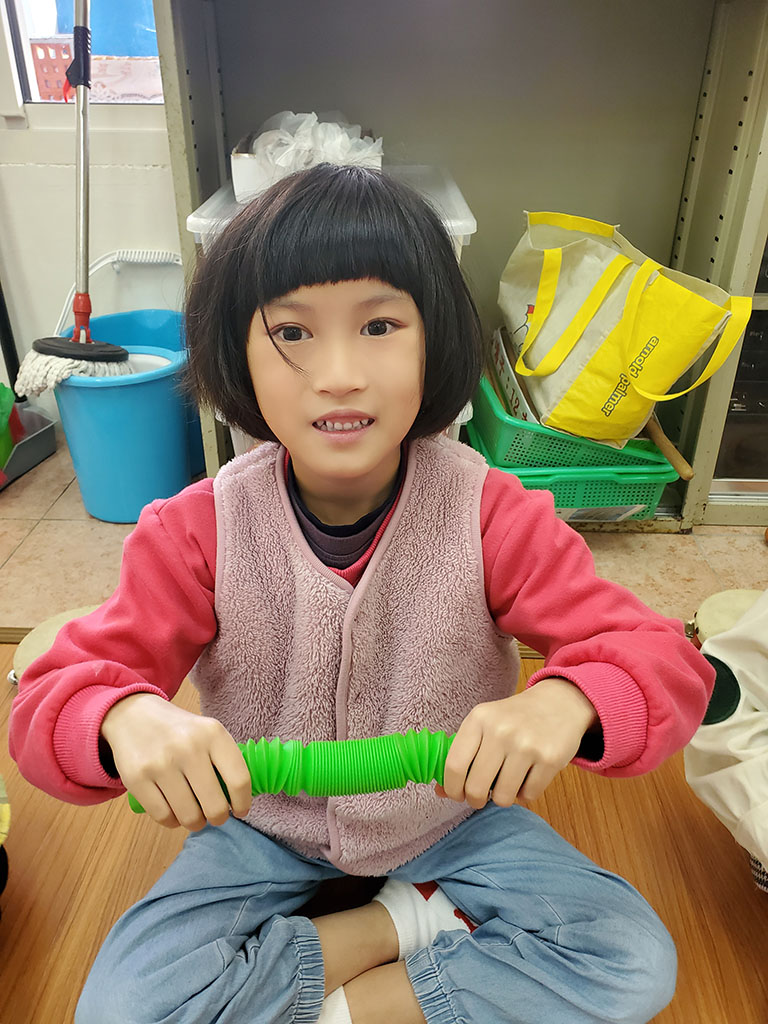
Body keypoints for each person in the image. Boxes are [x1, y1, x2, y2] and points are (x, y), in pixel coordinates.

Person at [9, 164, 714, 1024]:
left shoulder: (492, 515)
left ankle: (355, 969)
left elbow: (664, 660)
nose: (338, 374)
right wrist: (121, 718)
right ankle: (407, 923)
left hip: (453, 820)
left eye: (379, 325)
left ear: (433, 343)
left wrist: (569, 700)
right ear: (237, 355)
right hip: (261, 830)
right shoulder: (194, 531)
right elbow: (51, 698)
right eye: (292, 333)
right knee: (120, 1011)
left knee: (632, 961)